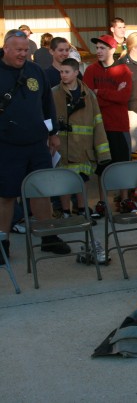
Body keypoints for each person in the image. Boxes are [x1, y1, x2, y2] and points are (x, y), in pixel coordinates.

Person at [0, 29, 70, 256]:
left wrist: (53, 134)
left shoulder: (35, 71)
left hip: (37, 144)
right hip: (6, 145)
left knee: (41, 191)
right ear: (6, 49)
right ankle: (2, 243)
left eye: (26, 49)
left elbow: (47, 105)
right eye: (18, 50)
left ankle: (48, 237)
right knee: (7, 195)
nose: (23, 54)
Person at [51, 58, 111, 218]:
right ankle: (65, 212)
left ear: (76, 72)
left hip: (84, 149)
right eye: (61, 72)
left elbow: (98, 123)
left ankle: (83, 210)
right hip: (62, 148)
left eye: (67, 72)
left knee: (81, 180)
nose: (63, 75)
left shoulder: (89, 95)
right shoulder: (54, 93)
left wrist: (103, 152)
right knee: (64, 181)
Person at [83, 35, 133, 216]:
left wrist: (100, 92)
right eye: (97, 48)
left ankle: (124, 199)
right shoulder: (90, 70)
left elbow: (124, 97)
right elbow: (90, 98)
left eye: (102, 48)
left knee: (122, 164)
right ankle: (103, 202)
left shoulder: (124, 70)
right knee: (102, 166)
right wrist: (110, 94)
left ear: (112, 50)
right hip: (99, 127)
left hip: (118, 125)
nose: (98, 51)